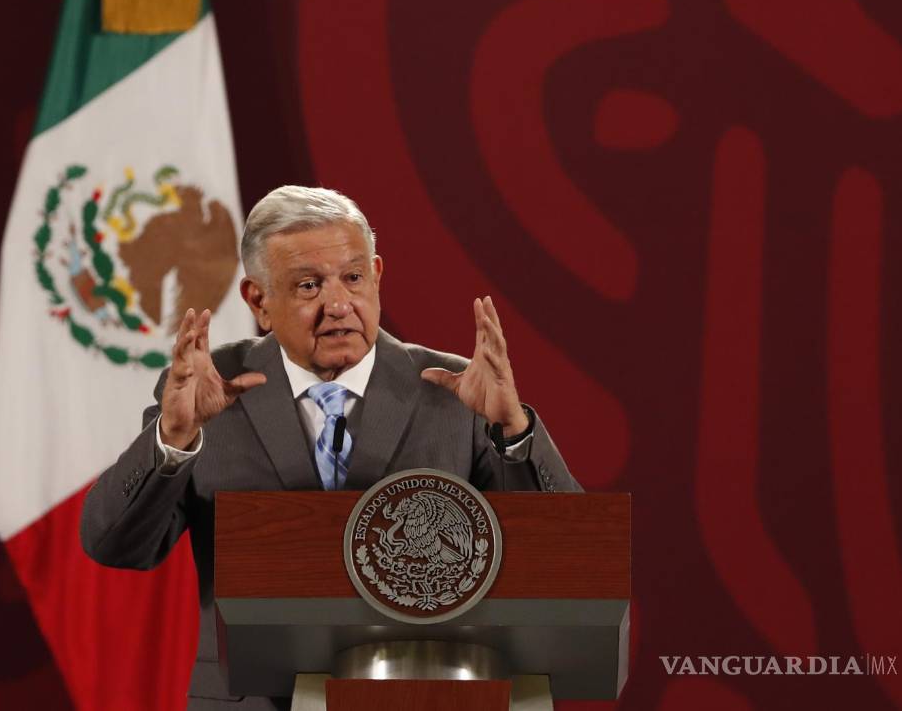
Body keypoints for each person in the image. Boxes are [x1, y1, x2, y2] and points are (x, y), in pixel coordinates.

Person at [80, 186, 581, 709]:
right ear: (259, 301)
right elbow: (113, 544)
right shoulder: (209, 390)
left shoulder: (457, 390)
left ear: (378, 276)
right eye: (308, 285)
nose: (338, 304)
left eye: (354, 277)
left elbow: (567, 560)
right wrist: (174, 438)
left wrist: (513, 430)